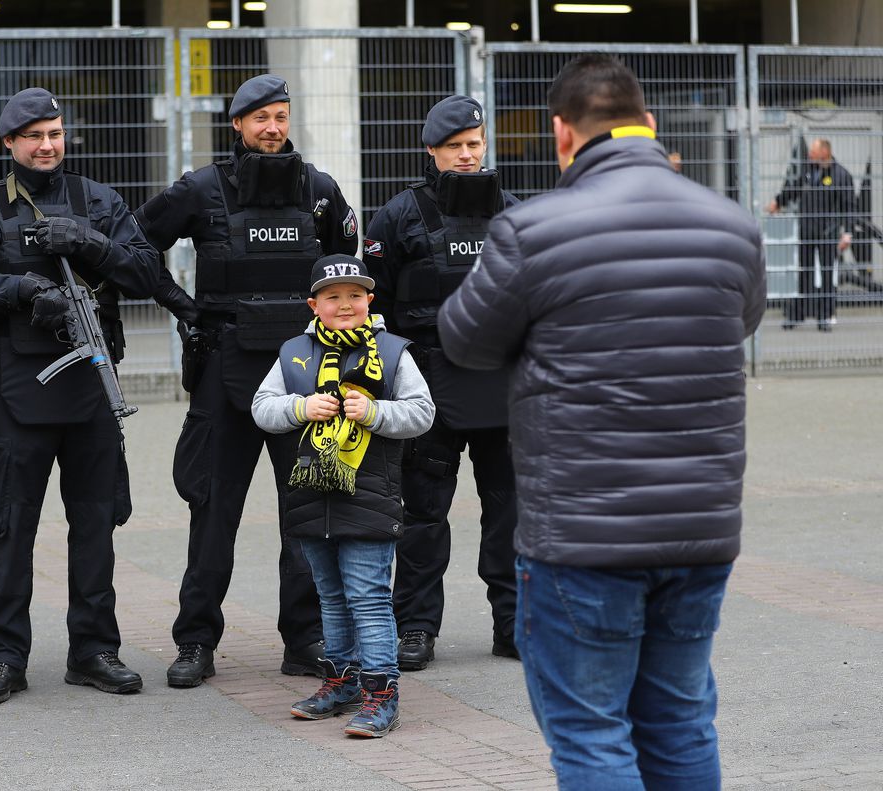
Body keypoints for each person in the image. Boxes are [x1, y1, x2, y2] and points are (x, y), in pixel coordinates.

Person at [438, 55, 765, 788]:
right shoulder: (732, 225)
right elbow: (740, 321)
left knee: (592, 733)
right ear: (649, 123)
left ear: (562, 134)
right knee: (681, 719)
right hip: (700, 527)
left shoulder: (532, 230)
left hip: (582, 534)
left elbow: (465, 341)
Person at [135, 74, 360, 687]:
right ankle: (197, 641)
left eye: (281, 116)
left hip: (307, 375)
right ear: (236, 124)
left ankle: (306, 639)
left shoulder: (319, 192)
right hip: (226, 371)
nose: (272, 128)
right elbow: (134, 244)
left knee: (309, 511)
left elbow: (352, 273)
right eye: (259, 117)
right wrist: (184, 306)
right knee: (213, 510)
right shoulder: (202, 189)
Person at [0, 87, 159, 701]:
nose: (46, 146)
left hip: (93, 389)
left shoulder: (98, 201)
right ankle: (4, 658)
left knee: (95, 524)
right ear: (9, 143)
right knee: (10, 529)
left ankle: (94, 650)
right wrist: (24, 291)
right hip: (17, 394)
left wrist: (93, 246)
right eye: (33, 136)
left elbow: (146, 274)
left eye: (55, 134)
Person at [363, 95, 520, 669]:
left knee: (510, 512)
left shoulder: (513, 213)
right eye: (454, 147)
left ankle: (513, 624)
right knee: (424, 516)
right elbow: (369, 302)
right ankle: (416, 628)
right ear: (432, 152)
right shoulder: (401, 215)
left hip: (501, 387)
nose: (466, 156)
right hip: (428, 387)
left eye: (474, 145)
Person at [252, 254, 434, 738]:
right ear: (314, 305)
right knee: (330, 598)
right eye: (333, 297)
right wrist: (300, 406)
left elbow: (422, 413)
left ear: (370, 300)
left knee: (368, 598)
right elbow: (262, 408)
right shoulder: (293, 352)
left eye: (355, 295)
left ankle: (381, 693)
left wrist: (374, 412)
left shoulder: (394, 352)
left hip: (369, 495)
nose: (345, 304)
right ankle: (342, 682)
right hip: (311, 494)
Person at [766, 137, 854, 331]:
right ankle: (798, 314)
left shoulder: (841, 175)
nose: (809, 154)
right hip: (807, 231)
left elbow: (849, 207)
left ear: (825, 152)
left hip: (827, 233)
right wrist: (778, 202)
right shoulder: (809, 171)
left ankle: (825, 316)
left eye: (813, 151)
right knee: (804, 272)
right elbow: (793, 189)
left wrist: (847, 233)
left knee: (826, 274)